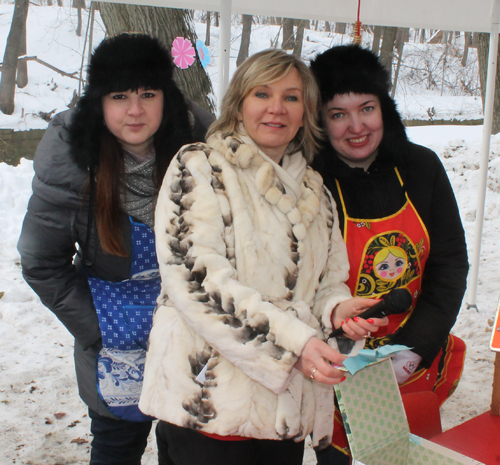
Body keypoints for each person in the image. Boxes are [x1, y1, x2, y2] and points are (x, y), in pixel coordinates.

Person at [138, 49, 388, 465]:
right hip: (211, 405)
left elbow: (327, 282)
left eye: (291, 97)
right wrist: (296, 343)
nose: (277, 108)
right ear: (238, 103)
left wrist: (339, 310)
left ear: (306, 111)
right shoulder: (199, 166)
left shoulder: (316, 191)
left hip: (283, 414)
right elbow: (198, 280)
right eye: (262, 94)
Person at [17, 33, 214, 464]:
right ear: (100, 103)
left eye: (148, 93)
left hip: (191, 340)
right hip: (114, 345)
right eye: (119, 95)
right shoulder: (72, 161)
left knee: (187, 448)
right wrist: (101, 328)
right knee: (116, 449)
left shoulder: (203, 151)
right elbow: (40, 261)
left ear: (167, 97)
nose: (135, 110)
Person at [310, 44, 468, 464]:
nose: (356, 126)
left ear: (386, 109)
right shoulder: (309, 181)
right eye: (338, 114)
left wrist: (412, 348)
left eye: (367, 108)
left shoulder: (422, 168)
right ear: (321, 122)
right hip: (338, 365)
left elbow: (449, 264)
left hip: (414, 355)